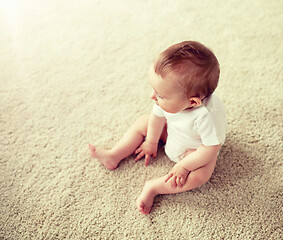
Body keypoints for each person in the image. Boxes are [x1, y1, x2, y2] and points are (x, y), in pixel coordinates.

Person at [89, 41, 227, 215]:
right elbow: (157, 117)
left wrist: (184, 166)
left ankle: (154, 188)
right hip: (171, 134)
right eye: (154, 90)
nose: (152, 96)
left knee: (202, 175)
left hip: (193, 151)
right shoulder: (165, 99)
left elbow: (210, 148)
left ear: (192, 102)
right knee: (143, 121)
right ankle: (114, 155)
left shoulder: (207, 115)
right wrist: (151, 141)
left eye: (160, 95)